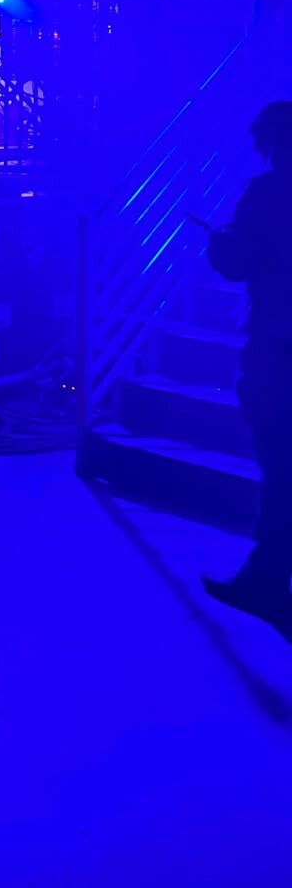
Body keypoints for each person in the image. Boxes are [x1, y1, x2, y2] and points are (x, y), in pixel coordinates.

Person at [203, 101, 292, 633]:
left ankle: (266, 580)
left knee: (280, 465)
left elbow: (235, 263)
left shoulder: (266, 193)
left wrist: (218, 243)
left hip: (277, 347)